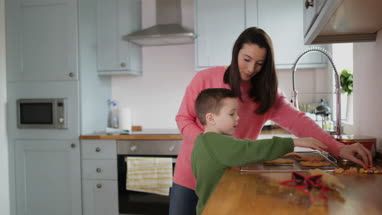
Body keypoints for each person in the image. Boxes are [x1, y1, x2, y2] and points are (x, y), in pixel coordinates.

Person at [169, 27, 372, 215]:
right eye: (246, 59)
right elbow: (183, 118)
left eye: (259, 63)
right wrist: (209, 145)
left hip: (234, 177)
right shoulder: (204, 78)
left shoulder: (267, 94)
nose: (250, 68)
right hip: (190, 176)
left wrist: (338, 148)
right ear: (236, 52)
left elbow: (301, 122)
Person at [191, 88, 328, 215]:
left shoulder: (203, 141)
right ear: (211, 118)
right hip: (217, 210)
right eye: (232, 114)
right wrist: (294, 142)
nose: (238, 118)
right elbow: (250, 149)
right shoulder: (216, 143)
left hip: (212, 207)